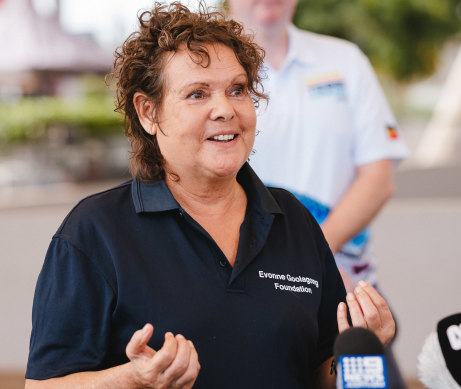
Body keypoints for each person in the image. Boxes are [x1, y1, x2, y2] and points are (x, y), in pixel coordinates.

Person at [24, 3, 396, 388]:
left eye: (237, 90)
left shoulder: (292, 218)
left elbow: (319, 373)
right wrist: (134, 379)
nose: (224, 109)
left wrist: (359, 353)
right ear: (148, 112)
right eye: (198, 94)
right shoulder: (95, 230)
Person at [227, 2, 409, 388]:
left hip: (346, 291)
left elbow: (378, 177)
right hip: (244, 296)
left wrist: (314, 260)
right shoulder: (207, 70)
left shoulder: (344, 60)